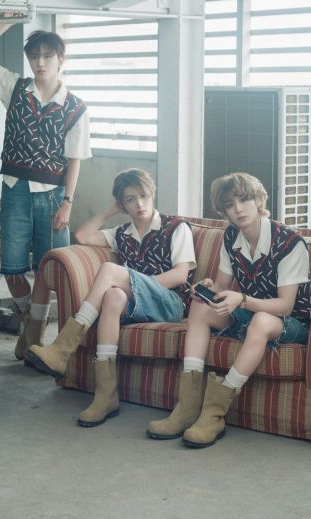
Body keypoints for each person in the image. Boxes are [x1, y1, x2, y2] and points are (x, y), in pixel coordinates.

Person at [147, 173, 311, 448]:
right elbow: (222, 285)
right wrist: (207, 287)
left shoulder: (289, 242)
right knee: (200, 307)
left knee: (261, 321)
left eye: (244, 199)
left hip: (291, 321)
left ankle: (214, 413)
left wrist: (242, 300)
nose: (238, 209)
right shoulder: (231, 236)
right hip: (249, 311)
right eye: (229, 204)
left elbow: (285, 306)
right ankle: (187, 406)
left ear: (259, 200)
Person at [26, 169, 196, 427]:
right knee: (113, 296)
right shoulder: (122, 233)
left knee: (109, 271)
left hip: (171, 303)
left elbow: (181, 275)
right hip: (136, 302)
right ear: (122, 204)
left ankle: (63, 348)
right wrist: (108, 212)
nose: (139, 204)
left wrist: (138, 284)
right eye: (130, 199)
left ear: (152, 194)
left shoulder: (176, 227)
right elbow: (82, 236)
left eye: (143, 196)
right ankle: (106, 395)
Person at [0, 24, 91, 362]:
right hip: (15, 192)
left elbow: (74, 160)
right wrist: (5, 22)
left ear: (61, 59)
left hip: (53, 197)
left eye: (48, 56)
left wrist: (68, 203)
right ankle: (29, 322)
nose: (40, 62)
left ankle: (33, 336)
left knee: (47, 271)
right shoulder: (15, 87)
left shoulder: (75, 107)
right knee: (12, 269)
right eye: (34, 56)